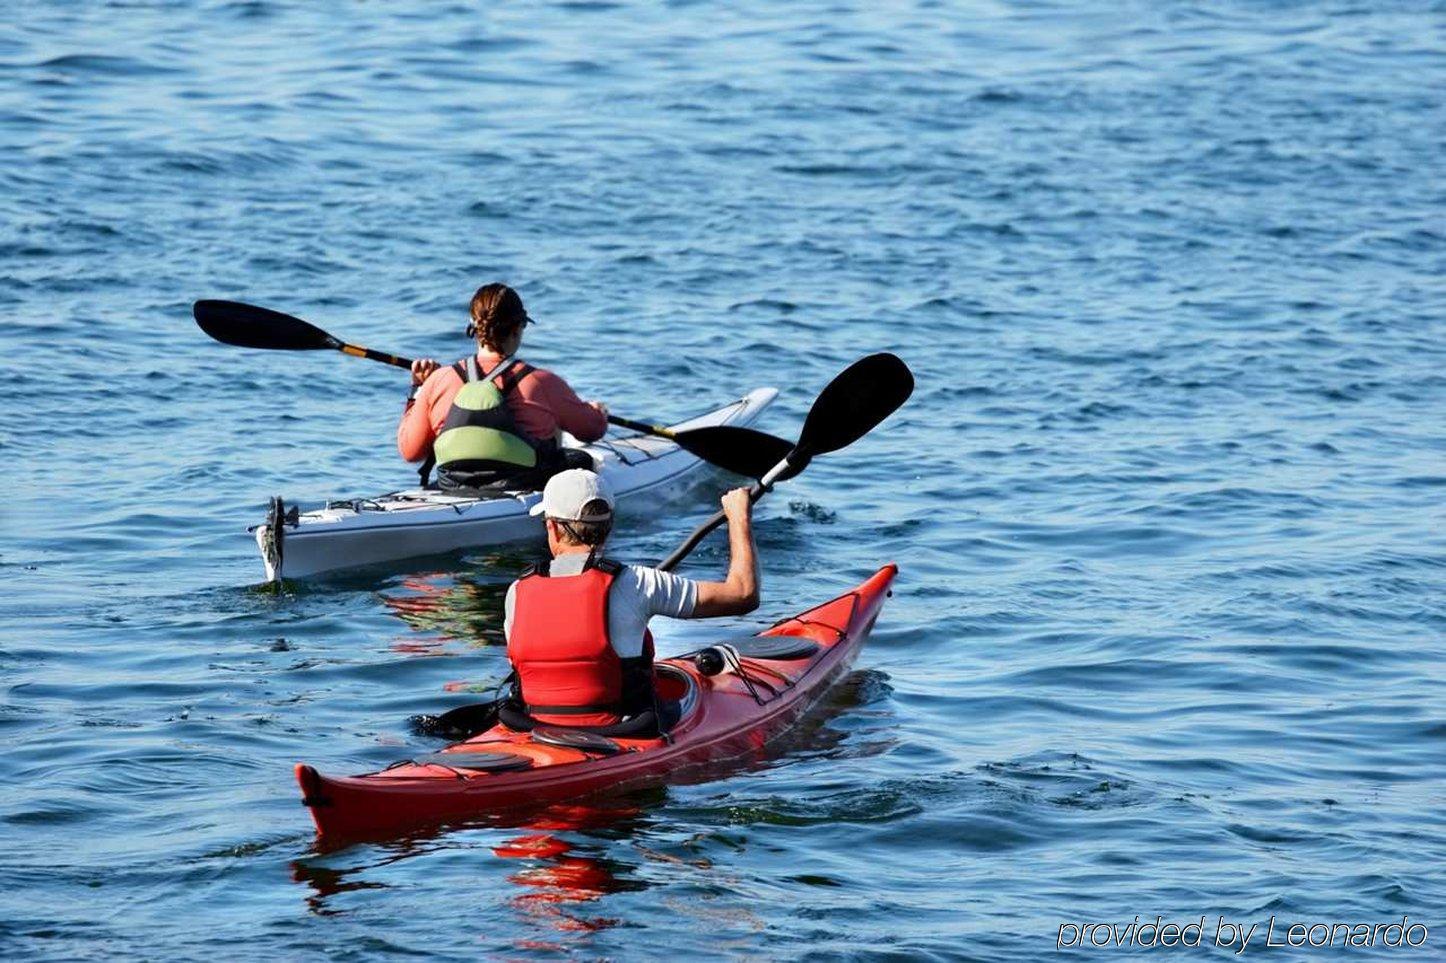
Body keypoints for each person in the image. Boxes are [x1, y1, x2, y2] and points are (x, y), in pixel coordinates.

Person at [502, 469, 759, 735]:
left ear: (552, 527)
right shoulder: (637, 583)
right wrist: (739, 518)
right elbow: (743, 594)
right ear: (609, 526)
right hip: (622, 732)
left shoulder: (517, 592)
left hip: (534, 729)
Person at [398, 283, 609, 490]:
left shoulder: (438, 380)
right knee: (580, 458)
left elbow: (411, 452)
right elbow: (591, 430)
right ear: (517, 329)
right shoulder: (540, 382)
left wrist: (418, 389)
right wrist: (598, 412)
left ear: (474, 327)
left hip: (453, 485)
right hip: (523, 483)